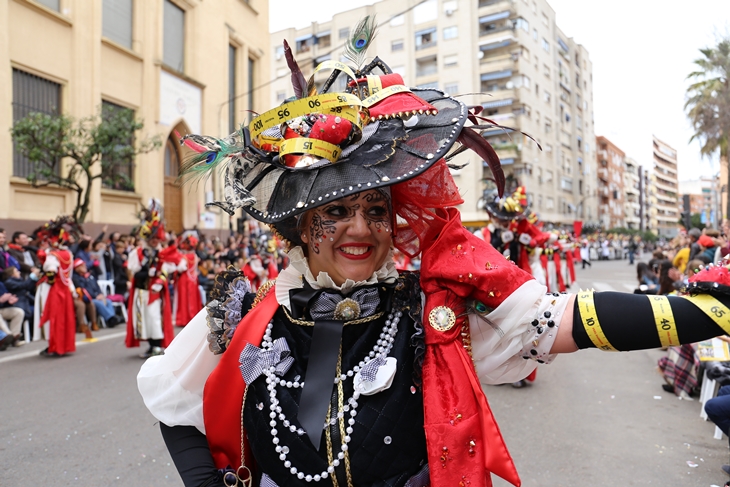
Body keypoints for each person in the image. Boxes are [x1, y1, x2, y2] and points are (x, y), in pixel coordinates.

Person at [137, 28, 730, 487]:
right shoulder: (246, 316)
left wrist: (709, 311)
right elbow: (173, 402)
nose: (360, 229)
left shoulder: (428, 315)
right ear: (300, 226)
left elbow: (561, 323)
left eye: (375, 209)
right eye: (335, 212)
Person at [125, 200, 174, 358]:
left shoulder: (162, 253)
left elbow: (166, 270)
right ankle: (151, 346)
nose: (155, 241)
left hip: (155, 292)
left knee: (154, 318)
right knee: (143, 320)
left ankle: (157, 346)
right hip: (142, 290)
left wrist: (159, 280)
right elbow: (135, 273)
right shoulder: (138, 253)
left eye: (157, 238)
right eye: (152, 238)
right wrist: (149, 272)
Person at [33, 216, 84, 357]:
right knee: (64, 317)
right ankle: (63, 344)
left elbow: (51, 272)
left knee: (51, 316)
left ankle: (54, 345)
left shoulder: (52, 255)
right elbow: (68, 274)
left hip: (51, 289)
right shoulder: (68, 254)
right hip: (65, 288)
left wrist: (43, 275)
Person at [72, 258, 120, 328]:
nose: (85, 266)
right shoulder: (77, 278)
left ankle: (112, 319)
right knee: (98, 302)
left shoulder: (90, 276)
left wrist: (100, 294)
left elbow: (97, 287)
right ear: (77, 268)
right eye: (82, 265)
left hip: (97, 296)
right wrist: (95, 296)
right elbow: (84, 290)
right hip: (88, 298)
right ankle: (110, 318)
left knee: (108, 301)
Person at [172, 232, 204, 327]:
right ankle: (192, 318)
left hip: (184, 280)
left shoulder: (184, 257)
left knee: (184, 299)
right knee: (192, 299)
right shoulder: (194, 256)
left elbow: (181, 268)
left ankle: (183, 319)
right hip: (193, 280)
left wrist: (175, 271)